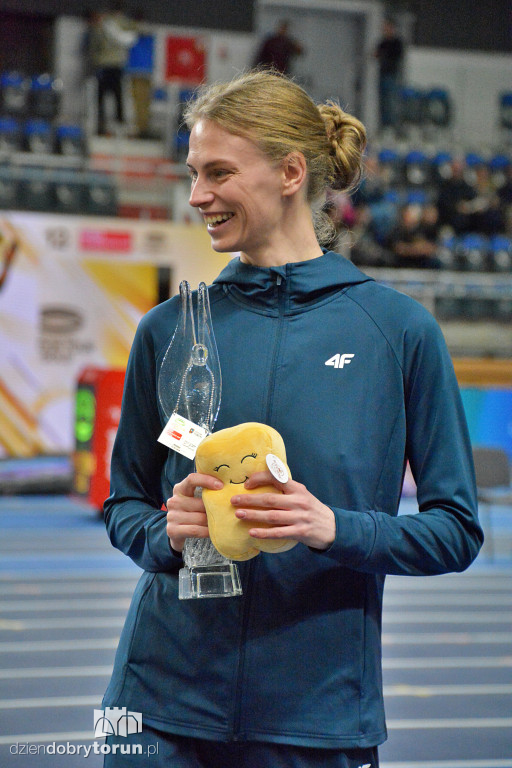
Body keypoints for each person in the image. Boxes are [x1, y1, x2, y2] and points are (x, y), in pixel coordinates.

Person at [102, 70, 483, 767]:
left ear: (290, 172)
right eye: (192, 173)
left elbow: (456, 531)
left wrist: (335, 528)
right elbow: (124, 501)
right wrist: (165, 533)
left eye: (218, 172)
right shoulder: (169, 331)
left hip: (317, 721)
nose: (197, 196)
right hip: (157, 711)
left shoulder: (397, 331)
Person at [87, 4, 138, 135]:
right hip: (113, 65)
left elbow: (94, 45)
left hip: (105, 65)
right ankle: (116, 124)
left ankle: (104, 125)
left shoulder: (105, 24)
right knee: (115, 96)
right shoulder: (118, 23)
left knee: (107, 97)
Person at [373, 17, 403, 132]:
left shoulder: (397, 43)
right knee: (383, 101)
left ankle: (393, 127)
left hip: (392, 75)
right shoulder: (383, 42)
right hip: (383, 74)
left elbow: (397, 57)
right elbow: (376, 54)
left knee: (392, 101)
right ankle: (384, 126)